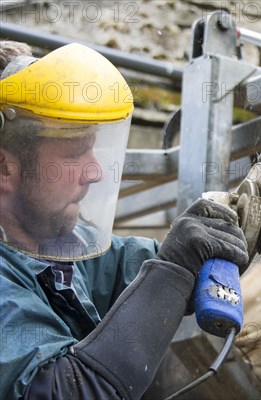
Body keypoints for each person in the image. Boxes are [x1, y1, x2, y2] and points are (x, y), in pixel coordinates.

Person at [0, 41, 248, 400]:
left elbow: (168, 269)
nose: (96, 171)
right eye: (74, 153)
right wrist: (173, 268)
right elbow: (70, 392)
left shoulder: (60, 247)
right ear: (5, 167)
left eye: (93, 147)